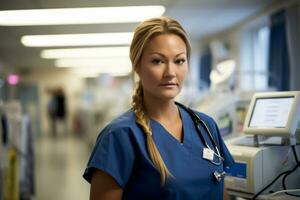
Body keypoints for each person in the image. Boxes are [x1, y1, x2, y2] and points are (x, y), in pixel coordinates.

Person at [83, 16, 234, 200]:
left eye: (179, 61)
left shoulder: (206, 126)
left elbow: (222, 191)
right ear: (137, 65)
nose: (170, 73)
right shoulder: (120, 136)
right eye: (157, 61)